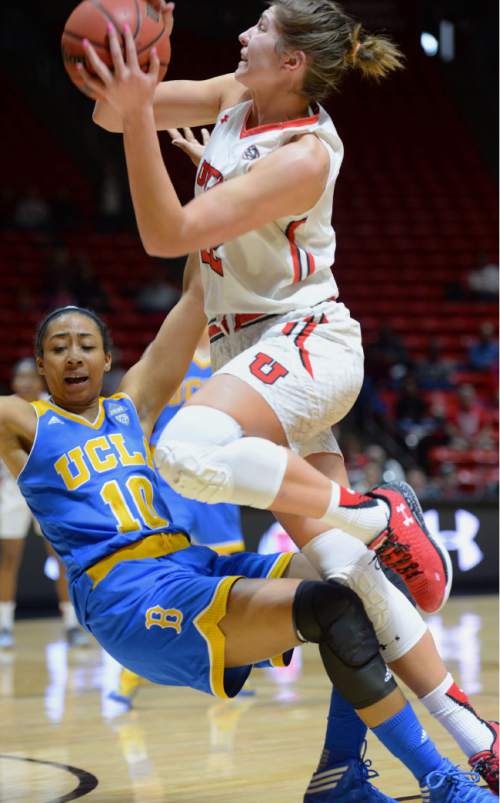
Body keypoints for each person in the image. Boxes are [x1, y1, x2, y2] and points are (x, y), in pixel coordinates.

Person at [0, 298, 496, 801]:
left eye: (86, 346)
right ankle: (442, 782)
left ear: (109, 359)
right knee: (333, 608)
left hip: (189, 564)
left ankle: (339, 777)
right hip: (126, 598)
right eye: (57, 349)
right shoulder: (25, 422)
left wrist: (226, 238)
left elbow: (197, 293)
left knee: (367, 577)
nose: (73, 357)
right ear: (40, 364)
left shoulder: (132, 408)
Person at [88, 0, 453, 622]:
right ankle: (461, 720)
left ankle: (379, 514)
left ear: (291, 62)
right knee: (346, 572)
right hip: (247, 346)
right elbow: (108, 114)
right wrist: (139, 66)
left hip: (296, 340)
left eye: (259, 27)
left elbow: (166, 234)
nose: (240, 32)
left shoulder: (304, 153)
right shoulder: (235, 95)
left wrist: (143, 108)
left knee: (185, 453)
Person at [111, 327, 246, 706]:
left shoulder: (231, 357)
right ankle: (128, 676)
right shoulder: (173, 355)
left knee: (231, 574)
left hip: (218, 476)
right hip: (171, 478)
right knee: (160, 575)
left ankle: (234, 661)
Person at [0, 358, 88, 648]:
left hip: (47, 490)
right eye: (20, 377)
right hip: (12, 491)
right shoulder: (6, 408)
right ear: (14, 382)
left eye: (30, 377)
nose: (25, 382)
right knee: (7, 559)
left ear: (40, 381)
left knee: (61, 558)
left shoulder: (49, 409)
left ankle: (72, 624)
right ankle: (4, 626)